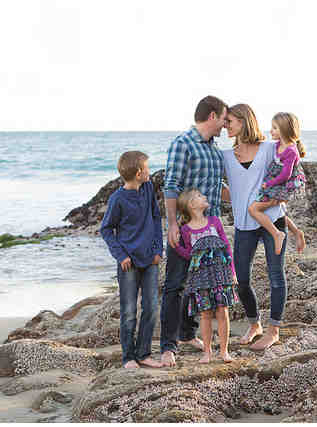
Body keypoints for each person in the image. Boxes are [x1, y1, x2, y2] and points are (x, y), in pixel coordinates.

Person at [222, 104, 305, 351]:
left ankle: (273, 331)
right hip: (244, 224)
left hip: (274, 221)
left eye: (229, 121)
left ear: (243, 122)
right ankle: (254, 324)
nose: (225, 126)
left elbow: (291, 178)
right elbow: (232, 190)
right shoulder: (225, 156)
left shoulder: (270, 148)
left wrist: (286, 218)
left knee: (276, 275)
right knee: (242, 280)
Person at [161, 95, 229, 367]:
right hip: (186, 229)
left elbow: (218, 188)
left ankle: (188, 334)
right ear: (212, 116)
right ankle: (168, 346)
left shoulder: (215, 150)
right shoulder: (183, 144)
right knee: (175, 286)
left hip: (211, 231)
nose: (225, 124)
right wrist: (172, 224)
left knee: (200, 285)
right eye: (224, 118)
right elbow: (171, 185)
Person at [100, 151, 164, 369]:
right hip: (128, 263)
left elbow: (156, 218)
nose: (149, 172)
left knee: (151, 307)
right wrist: (121, 255)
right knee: (128, 312)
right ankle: (128, 357)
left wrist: (158, 249)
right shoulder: (117, 199)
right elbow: (106, 229)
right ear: (138, 173)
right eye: (147, 168)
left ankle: (144, 354)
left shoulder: (148, 189)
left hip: (150, 260)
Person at [173, 189, 238, 364]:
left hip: (220, 274)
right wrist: (176, 246)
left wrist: (232, 271)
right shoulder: (186, 230)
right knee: (205, 314)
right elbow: (190, 255)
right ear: (192, 205)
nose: (204, 197)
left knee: (223, 311)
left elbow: (226, 247)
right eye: (199, 196)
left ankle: (224, 351)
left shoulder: (215, 221)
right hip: (200, 278)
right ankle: (207, 352)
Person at [248, 112, 307, 255]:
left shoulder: (291, 151)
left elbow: (285, 175)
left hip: (282, 185)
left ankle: (276, 234)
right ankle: (296, 232)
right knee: (276, 212)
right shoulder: (278, 144)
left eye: (274, 128)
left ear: (285, 130)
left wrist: (269, 184)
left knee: (253, 209)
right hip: (276, 182)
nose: (271, 131)